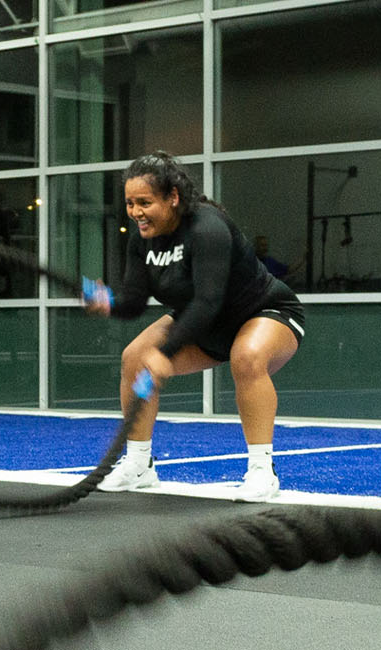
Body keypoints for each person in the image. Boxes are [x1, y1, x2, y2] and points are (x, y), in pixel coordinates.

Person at [82, 152, 306, 502]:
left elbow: (208, 301)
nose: (136, 212)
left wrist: (167, 353)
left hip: (264, 312)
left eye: (145, 202)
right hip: (203, 325)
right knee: (134, 358)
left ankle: (262, 472)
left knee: (245, 357)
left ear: (172, 197)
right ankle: (140, 465)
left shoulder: (207, 227)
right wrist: (108, 302)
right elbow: (135, 302)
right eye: (129, 203)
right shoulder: (142, 238)